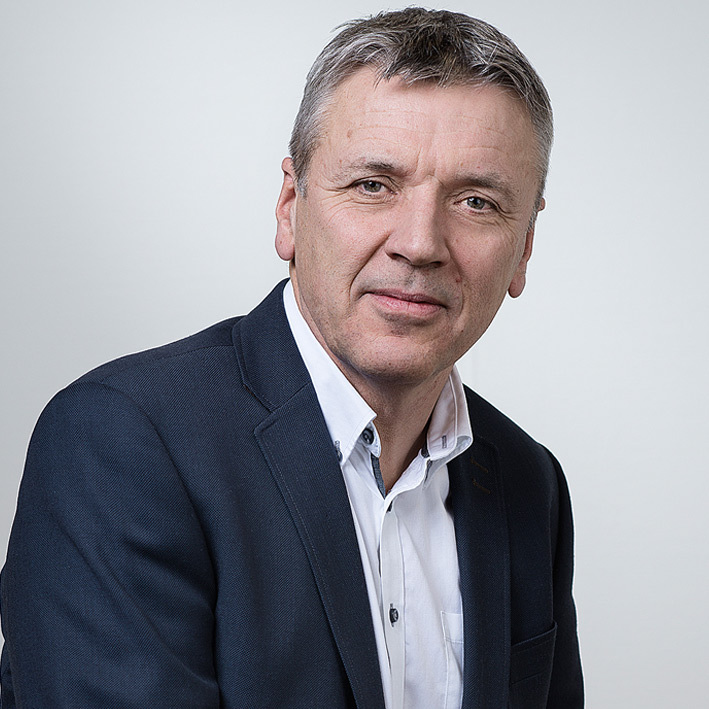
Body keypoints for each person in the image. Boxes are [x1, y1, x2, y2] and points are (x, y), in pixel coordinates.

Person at [0, 8, 583, 708]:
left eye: (476, 201)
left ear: (523, 249)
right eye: (373, 185)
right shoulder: (120, 444)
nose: (419, 243)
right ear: (288, 207)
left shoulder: (528, 483)